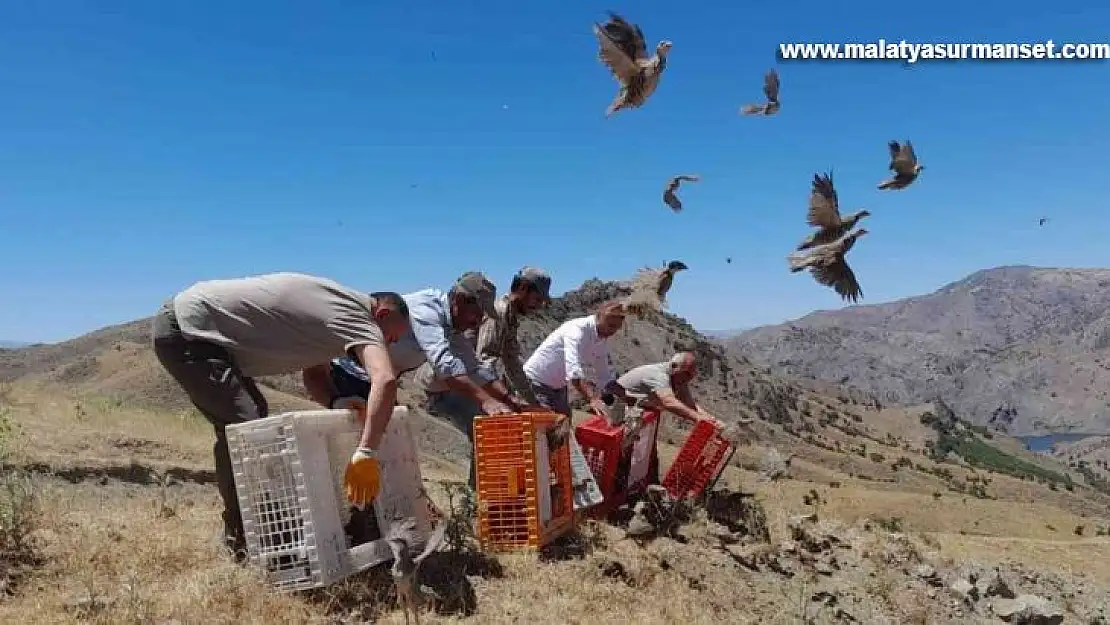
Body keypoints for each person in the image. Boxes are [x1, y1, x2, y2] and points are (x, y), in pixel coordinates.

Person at [151, 272, 412, 560]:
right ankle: (245, 540)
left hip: (200, 330)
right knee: (244, 428)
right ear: (383, 313)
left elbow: (314, 374)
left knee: (250, 418)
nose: (386, 343)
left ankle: (256, 532)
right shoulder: (359, 316)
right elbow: (384, 379)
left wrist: (336, 399)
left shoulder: (337, 310)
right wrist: (366, 452)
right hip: (189, 331)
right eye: (390, 335)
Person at [327, 272, 526, 485]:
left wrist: (509, 399)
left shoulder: (452, 329)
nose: (477, 323)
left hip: (381, 385)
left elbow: (475, 369)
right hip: (350, 377)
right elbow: (445, 367)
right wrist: (487, 401)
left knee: (390, 457)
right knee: (357, 452)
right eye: (476, 314)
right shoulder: (427, 309)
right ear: (459, 300)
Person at [608, 352, 726, 485]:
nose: (688, 379)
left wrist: (711, 420)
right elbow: (668, 401)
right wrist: (699, 419)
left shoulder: (678, 378)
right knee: (622, 456)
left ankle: (648, 488)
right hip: (617, 412)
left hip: (639, 418)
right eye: (686, 374)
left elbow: (689, 404)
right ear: (674, 366)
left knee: (647, 458)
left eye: (691, 376)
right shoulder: (659, 375)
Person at [522, 299, 633, 424]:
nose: (612, 332)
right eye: (611, 326)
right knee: (546, 429)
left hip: (558, 387)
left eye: (616, 328)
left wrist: (627, 397)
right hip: (536, 383)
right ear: (599, 317)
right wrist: (592, 398)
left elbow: (605, 377)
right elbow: (574, 373)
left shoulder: (601, 339)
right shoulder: (577, 331)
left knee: (563, 427)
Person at [470, 266, 553, 405]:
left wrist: (533, 402)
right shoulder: (499, 313)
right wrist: (505, 397)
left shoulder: (510, 317)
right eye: (537, 299)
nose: (539, 306)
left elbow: (512, 362)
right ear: (522, 288)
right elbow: (484, 361)